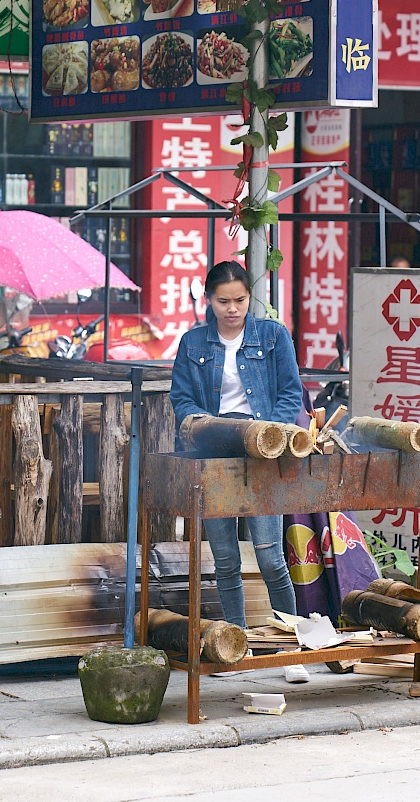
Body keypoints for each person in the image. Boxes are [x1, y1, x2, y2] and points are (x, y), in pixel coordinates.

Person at [169, 261, 311, 683]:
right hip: (213, 453)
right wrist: (205, 427)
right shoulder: (193, 342)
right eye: (223, 301)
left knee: (270, 556)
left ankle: (291, 648)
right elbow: (181, 399)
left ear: (251, 297)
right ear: (208, 300)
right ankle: (234, 646)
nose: (232, 309)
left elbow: (290, 391)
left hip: (264, 453)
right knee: (226, 559)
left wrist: (271, 433)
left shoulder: (272, 335)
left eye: (240, 300)